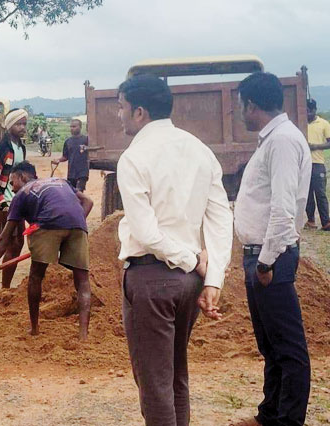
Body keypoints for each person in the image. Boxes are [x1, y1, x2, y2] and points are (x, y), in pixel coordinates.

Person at [116, 74, 233, 426]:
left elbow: (147, 232)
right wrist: (211, 278)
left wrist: (190, 259)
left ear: (139, 112)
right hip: (188, 285)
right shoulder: (200, 150)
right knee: (175, 374)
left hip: (152, 279)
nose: (118, 116)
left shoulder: (134, 158)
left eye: (121, 108)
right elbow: (220, 217)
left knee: (154, 384)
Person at [231, 72, 311, 426]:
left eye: (241, 106)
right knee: (270, 345)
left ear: (251, 104)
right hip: (259, 254)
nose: (240, 114)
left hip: (270, 256)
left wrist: (265, 263)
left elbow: (284, 208)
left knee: (289, 348)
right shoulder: (274, 138)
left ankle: (288, 420)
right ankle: (269, 415)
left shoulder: (281, 141)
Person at [0, 161, 93, 338]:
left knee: (36, 276)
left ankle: (35, 329)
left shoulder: (22, 194)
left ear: (22, 177)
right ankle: (83, 334)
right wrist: (71, 224)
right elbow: (88, 201)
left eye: (13, 182)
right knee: (82, 281)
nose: (13, 189)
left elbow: (4, 239)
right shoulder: (60, 181)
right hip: (77, 224)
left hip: (46, 224)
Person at [0, 108, 28, 288]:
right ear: (10, 125)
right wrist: (1, 202)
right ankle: (5, 288)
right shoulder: (2, 148)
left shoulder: (21, 147)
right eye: (19, 124)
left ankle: (6, 286)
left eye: (25, 124)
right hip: (5, 204)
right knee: (9, 243)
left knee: (18, 243)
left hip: (18, 202)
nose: (22, 127)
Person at [305, 98, 330, 230]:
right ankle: (310, 221)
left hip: (317, 163)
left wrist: (316, 146)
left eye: (308, 111)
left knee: (320, 194)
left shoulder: (324, 124)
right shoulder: (301, 123)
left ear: (314, 110)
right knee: (307, 194)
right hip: (303, 164)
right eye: (305, 111)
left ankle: (326, 222)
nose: (306, 114)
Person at [53, 118, 90, 191]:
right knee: (72, 193)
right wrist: (58, 160)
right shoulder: (68, 142)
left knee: (79, 192)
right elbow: (65, 156)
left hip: (82, 172)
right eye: (71, 127)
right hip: (71, 173)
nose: (72, 128)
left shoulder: (86, 140)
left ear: (80, 127)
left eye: (74, 126)